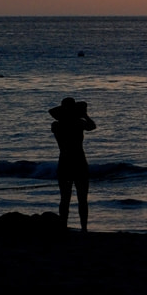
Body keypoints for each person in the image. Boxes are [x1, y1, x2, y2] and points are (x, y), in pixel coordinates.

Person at [49, 97, 96, 231]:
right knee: (82, 199)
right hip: (79, 162)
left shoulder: (56, 125)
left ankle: (64, 227)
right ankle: (84, 228)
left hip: (64, 162)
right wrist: (85, 115)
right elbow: (92, 126)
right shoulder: (79, 123)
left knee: (65, 198)